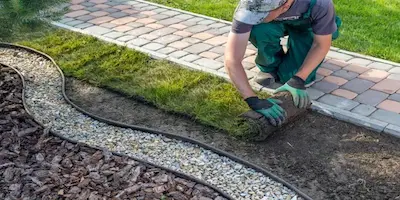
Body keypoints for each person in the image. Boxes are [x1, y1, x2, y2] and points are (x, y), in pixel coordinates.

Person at [224, 0, 341, 126]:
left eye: (261, 14)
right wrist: (252, 99)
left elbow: (321, 45)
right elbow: (232, 59)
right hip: (273, 24)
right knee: (258, 28)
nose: (255, 16)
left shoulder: (320, 4)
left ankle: (296, 61)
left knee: (291, 76)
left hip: (307, 26)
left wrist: (298, 79)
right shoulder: (250, 5)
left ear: (285, 6)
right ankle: (270, 66)